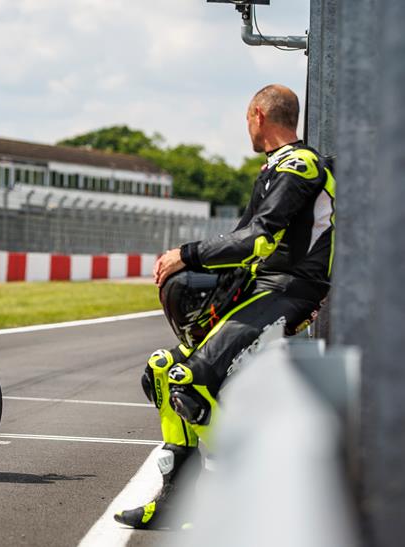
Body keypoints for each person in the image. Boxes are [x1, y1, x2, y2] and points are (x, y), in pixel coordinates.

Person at [114, 84, 336, 529]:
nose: (246, 128)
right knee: (162, 371)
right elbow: (248, 244)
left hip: (289, 291)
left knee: (189, 381)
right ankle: (176, 501)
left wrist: (186, 253)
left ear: (258, 114)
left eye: (246, 119)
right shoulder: (277, 167)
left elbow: (257, 238)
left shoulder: (300, 163)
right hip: (261, 289)